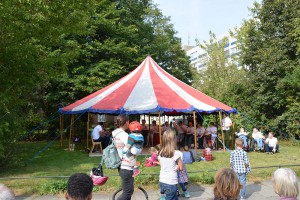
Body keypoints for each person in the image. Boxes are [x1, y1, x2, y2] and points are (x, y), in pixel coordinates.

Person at [112, 115, 134, 200]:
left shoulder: (115, 133)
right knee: (127, 192)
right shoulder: (124, 135)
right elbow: (131, 150)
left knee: (129, 190)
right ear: (126, 122)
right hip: (126, 165)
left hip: (120, 164)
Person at [158, 129, 183, 200]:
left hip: (162, 180)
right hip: (171, 182)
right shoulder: (176, 153)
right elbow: (181, 168)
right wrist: (177, 166)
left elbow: (161, 164)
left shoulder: (160, 152)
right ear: (174, 140)